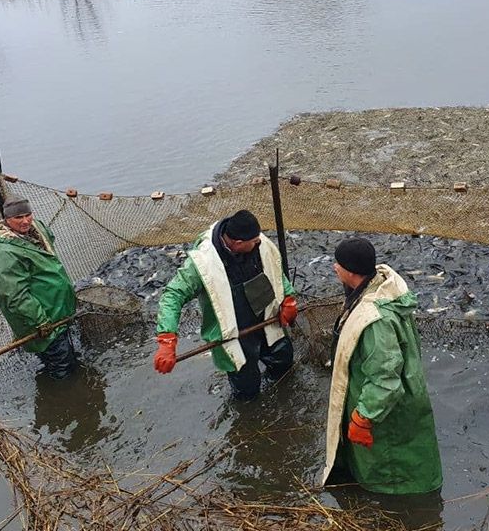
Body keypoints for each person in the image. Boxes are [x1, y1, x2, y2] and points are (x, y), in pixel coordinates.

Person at [321, 238, 442, 495]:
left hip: (385, 413)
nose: (334, 268)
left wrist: (364, 417)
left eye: (338, 264)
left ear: (352, 272)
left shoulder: (377, 321)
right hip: (379, 399)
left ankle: (402, 509)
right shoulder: (372, 288)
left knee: (391, 469)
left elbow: (385, 378)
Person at [153, 210, 299, 401]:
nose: (260, 242)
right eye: (254, 242)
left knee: (283, 362)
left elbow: (275, 268)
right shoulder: (203, 262)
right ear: (238, 244)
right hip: (232, 334)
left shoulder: (257, 241)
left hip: (267, 319)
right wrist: (166, 339)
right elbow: (173, 295)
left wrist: (288, 298)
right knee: (247, 389)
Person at [0, 196, 78, 379]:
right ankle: (60, 396)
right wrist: (41, 321)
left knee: (69, 360)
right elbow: (16, 297)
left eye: (28, 215)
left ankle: (65, 397)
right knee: (62, 370)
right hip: (45, 325)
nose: (26, 221)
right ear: (6, 220)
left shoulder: (36, 229)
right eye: (18, 218)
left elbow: (49, 236)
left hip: (60, 314)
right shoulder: (3, 255)